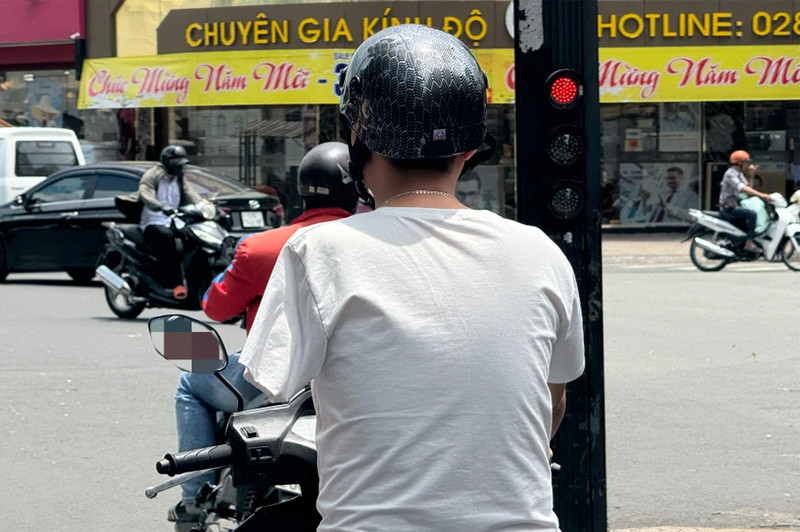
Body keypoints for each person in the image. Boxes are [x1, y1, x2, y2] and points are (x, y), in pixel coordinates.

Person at [239, 25, 585, 532]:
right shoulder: (540, 251)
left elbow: (269, 387)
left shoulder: (319, 250)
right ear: (469, 149)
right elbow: (552, 397)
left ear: (357, 141)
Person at [168, 142, 359, 523]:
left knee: (191, 384)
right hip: (354, 375)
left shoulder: (260, 247)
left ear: (300, 193)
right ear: (358, 190)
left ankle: (193, 499)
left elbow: (216, 307)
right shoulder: (377, 244)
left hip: (274, 380)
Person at [139, 145, 201, 299]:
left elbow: (191, 195)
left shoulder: (179, 178)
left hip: (174, 221)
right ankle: (175, 284)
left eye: (182, 164)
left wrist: (206, 206)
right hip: (154, 222)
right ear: (167, 163)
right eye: (177, 164)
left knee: (194, 237)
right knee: (167, 239)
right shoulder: (152, 176)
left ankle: (195, 281)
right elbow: (146, 194)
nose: (180, 168)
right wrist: (160, 206)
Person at [718, 149, 773, 253]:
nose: (747, 165)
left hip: (734, 205)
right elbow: (743, 188)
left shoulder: (739, 174)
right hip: (728, 208)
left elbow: (748, 191)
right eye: (746, 162)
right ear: (740, 163)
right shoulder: (730, 174)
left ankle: (742, 243)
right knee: (752, 214)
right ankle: (749, 243)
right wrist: (762, 195)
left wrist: (751, 175)